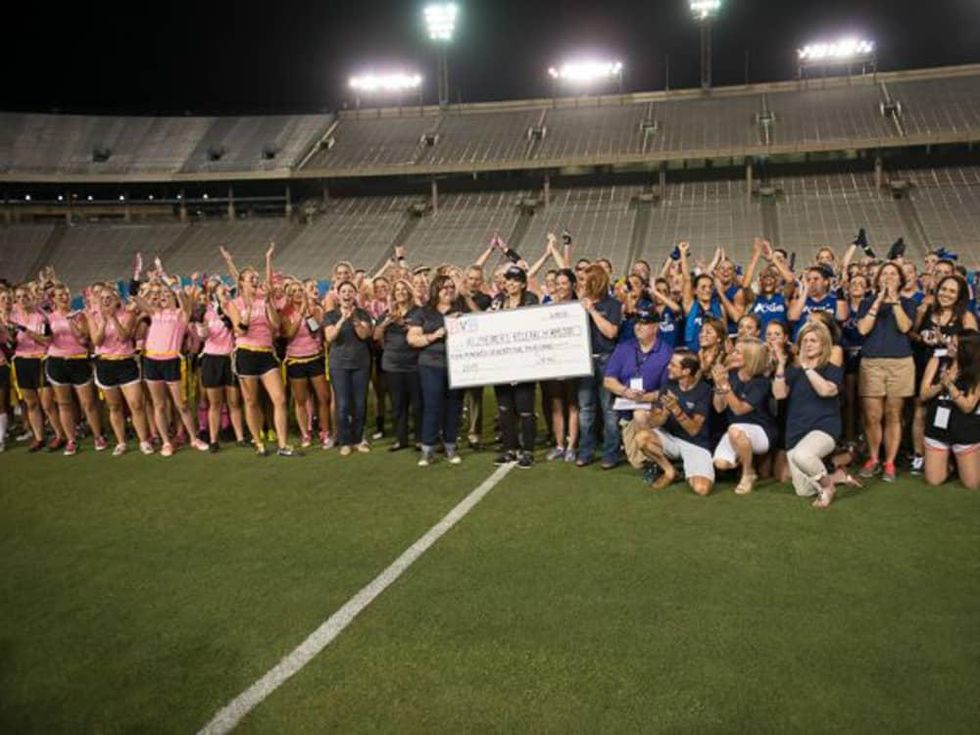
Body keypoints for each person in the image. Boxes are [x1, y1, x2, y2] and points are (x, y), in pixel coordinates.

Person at [774, 322, 860, 508]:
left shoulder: (831, 368)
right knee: (803, 490)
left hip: (824, 428)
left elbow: (825, 391)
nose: (808, 344)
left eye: (813, 340)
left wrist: (806, 367)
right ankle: (836, 476)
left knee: (803, 455)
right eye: (804, 341)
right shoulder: (793, 371)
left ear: (823, 345)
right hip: (796, 431)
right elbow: (779, 394)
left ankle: (828, 487)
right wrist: (781, 366)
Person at [223, 244, 298, 457]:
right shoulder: (235, 303)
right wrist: (245, 320)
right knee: (251, 401)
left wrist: (268, 305)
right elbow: (239, 329)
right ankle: (258, 442)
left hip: (266, 353)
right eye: (251, 279)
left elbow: (275, 325)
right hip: (246, 353)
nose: (256, 281)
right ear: (242, 283)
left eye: (257, 278)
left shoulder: (264, 300)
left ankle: (283, 445)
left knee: (280, 399)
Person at [856, 262, 917, 482]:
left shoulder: (908, 303)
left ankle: (889, 461)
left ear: (900, 280)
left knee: (894, 414)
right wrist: (879, 301)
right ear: (877, 278)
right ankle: (873, 457)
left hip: (900, 362)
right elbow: (863, 329)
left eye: (893, 274)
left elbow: (905, 327)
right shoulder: (867, 302)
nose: (889, 277)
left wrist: (895, 302)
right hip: (872, 362)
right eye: (884, 274)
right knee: (873, 416)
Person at [910, 275, 977, 473]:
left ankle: (952, 458)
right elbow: (911, 333)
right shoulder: (925, 310)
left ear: (959, 296)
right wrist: (925, 341)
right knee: (920, 409)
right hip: (926, 364)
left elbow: (972, 347)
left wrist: (945, 343)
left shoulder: (965, 316)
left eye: (952, 291)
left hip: (955, 371)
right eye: (943, 289)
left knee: (951, 410)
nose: (945, 294)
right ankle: (919, 456)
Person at [137, 283, 209, 457]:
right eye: (160, 294)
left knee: (181, 405)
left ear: (173, 296)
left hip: (171, 361)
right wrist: (148, 289)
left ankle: (193, 438)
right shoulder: (155, 313)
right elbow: (139, 301)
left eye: (165, 294)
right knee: (159, 405)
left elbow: (185, 303)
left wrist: (174, 287)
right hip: (151, 360)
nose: (162, 296)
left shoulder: (180, 314)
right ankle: (166, 443)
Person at [630, 349, 714, 495]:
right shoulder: (669, 385)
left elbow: (694, 430)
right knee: (642, 438)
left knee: (702, 489)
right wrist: (664, 414)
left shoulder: (704, 391)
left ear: (686, 371)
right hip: (670, 438)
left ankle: (692, 470)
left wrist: (676, 410)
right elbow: (654, 423)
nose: (668, 367)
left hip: (696, 444)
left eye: (673, 365)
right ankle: (670, 471)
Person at [88, 285, 154, 456]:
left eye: (109, 297)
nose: (106, 300)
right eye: (103, 298)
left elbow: (124, 336)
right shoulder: (93, 316)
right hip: (105, 364)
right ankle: (121, 442)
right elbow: (97, 340)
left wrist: (113, 318)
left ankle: (144, 441)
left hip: (126, 363)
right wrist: (103, 321)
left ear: (117, 299)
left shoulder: (128, 314)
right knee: (114, 406)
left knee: (136, 404)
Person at [407, 275, 465, 466]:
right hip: (431, 364)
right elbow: (412, 339)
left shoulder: (460, 309)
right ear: (436, 290)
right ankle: (427, 449)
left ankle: (450, 446)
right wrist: (435, 335)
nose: (448, 290)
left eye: (451, 287)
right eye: (444, 287)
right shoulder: (424, 312)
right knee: (432, 406)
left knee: (454, 406)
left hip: (456, 365)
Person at [45, 284, 106, 455]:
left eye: (66, 294)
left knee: (88, 403)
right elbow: (46, 339)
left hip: (78, 360)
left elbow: (84, 339)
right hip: (57, 361)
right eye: (60, 295)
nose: (64, 297)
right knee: (64, 404)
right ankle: (71, 440)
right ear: (53, 299)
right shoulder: (49, 318)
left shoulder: (79, 315)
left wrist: (73, 322)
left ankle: (98, 436)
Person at [711, 338, 777, 494]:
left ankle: (747, 474)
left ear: (750, 357)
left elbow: (739, 410)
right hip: (736, 431)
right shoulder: (731, 375)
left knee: (735, 430)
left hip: (763, 432)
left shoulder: (761, 382)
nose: (732, 355)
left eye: (737, 352)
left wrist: (725, 386)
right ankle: (747, 463)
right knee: (720, 463)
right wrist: (719, 385)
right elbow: (719, 408)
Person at [491, 266, 540, 469]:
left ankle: (527, 450)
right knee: (504, 409)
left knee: (525, 409)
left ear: (522, 283)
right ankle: (509, 448)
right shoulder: (497, 302)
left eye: (514, 280)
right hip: (502, 364)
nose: (510, 284)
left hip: (523, 364)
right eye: (508, 280)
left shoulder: (530, 300)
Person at [919, 329, 979, 489]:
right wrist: (940, 384)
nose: (949, 347)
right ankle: (949, 463)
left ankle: (964, 459)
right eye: (950, 342)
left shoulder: (976, 371)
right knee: (934, 481)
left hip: (965, 430)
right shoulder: (937, 361)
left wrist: (950, 386)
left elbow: (968, 406)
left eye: (954, 345)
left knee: (972, 484)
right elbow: (923, 395)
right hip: (938, 428)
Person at [576, 264, 623, 468]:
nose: (581, 283)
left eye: (585, 279)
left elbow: (611, 332)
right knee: (586, 409)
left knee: (609, 410)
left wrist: (592, 310)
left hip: (607, 359)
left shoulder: (613, 305)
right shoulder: (576, 305)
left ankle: (610, 453)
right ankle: (585, 451)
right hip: (584, 361)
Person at [323, 280, 374, 456]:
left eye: (350, 292)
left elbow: (364, 335)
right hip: (339, 366)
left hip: (361, 364)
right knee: (343, 404)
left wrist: (353, 320)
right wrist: (341, 320)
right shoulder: (330, 315)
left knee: (360, 404)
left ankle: (358, 439)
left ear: (355, 295)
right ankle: (345, 441)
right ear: (338, 295)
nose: (347, 295)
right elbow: (330, 337)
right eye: (343, 291)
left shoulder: (363, 314)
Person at [10, 284, 63, 451]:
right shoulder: (13, 317)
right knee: (31, 403)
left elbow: (46, 341)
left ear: (31, 298)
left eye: (25, 296)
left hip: (40, 360)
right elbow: (11, 343)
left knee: (47, 403)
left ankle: (59, 435)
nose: (22, 300)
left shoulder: (40, 317)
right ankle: (39, 438)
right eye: (18, 297)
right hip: (21, 361)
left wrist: (26, 331)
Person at [196, 281, 246, 451]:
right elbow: (203, 337)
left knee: (234, 402)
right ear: (215, 296)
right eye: (222, 292)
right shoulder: (207, 313)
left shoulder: (234, 311)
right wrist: (201, 327)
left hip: (229, 358)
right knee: (215, 403)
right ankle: (214, 440)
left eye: (226, 292)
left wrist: (228, 313)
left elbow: (239, 330)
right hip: (212, 359)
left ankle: (240, 438)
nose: (226, 294)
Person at [282, 280, 332, 450]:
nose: (297, 293)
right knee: (301, 400)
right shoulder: (285, 313)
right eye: (293, 291)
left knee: (323, 397)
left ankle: (325, 431)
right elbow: (289, 333)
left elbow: (314, 330)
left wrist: (307, 313)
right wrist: (299, 315)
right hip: (296, 360)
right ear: (289, 295)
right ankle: (306, 433)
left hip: (315, 357)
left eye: (299, 290)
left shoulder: (316, 309)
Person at [374, 279, 422, 452]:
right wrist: (387, 321)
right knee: (397, 405)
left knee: (417, 404)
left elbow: (420, 332)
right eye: (397, 290)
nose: (401, 292)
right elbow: (375, 335)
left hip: (414, 363)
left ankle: (419, 438)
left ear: (409, 292)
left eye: (404, 289)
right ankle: (400, 439)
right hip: (392, 365)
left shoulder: (418, 312)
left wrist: (402, 323)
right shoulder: (387, 313)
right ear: (393, 294)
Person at [542, 268, 580, 462]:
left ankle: (572, 445)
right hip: (553, 363)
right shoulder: (548, 306)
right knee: (556, 404)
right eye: (558, 283)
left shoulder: (579, 306)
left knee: (573, 405)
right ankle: (559, 445)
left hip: (573, 362)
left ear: (573, 285)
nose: (561, 287)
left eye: (564, 283)